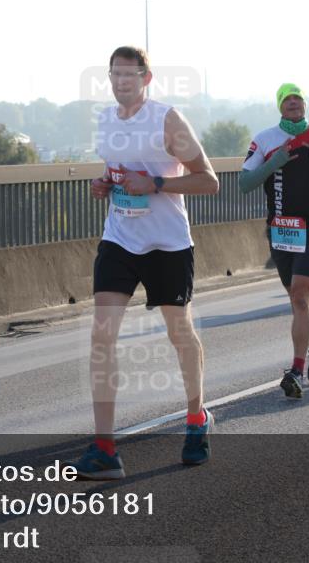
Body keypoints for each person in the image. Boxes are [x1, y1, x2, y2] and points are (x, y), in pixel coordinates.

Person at [71, 46, 220, 479]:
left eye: (130, 75)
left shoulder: (167, 119)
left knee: (180, 333)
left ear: (146, 78)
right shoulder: (104, 121)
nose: (121, 82)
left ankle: (196, 420)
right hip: (119, 238)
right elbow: (118, 173)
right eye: (115, 75)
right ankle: (104, 449)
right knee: (102, 336)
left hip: (166, 244)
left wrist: (155, 183)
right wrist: (106, 184)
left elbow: (208, 180)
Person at [239, 83, 309, 399]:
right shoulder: (265, 140)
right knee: (297, 299)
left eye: (298, 99)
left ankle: (296, 371)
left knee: (301, 295)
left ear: (305, 105)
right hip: (281, 229)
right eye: (287, 100)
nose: (293, 104)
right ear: (279, 107)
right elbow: (244, 183)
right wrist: (275, 162)